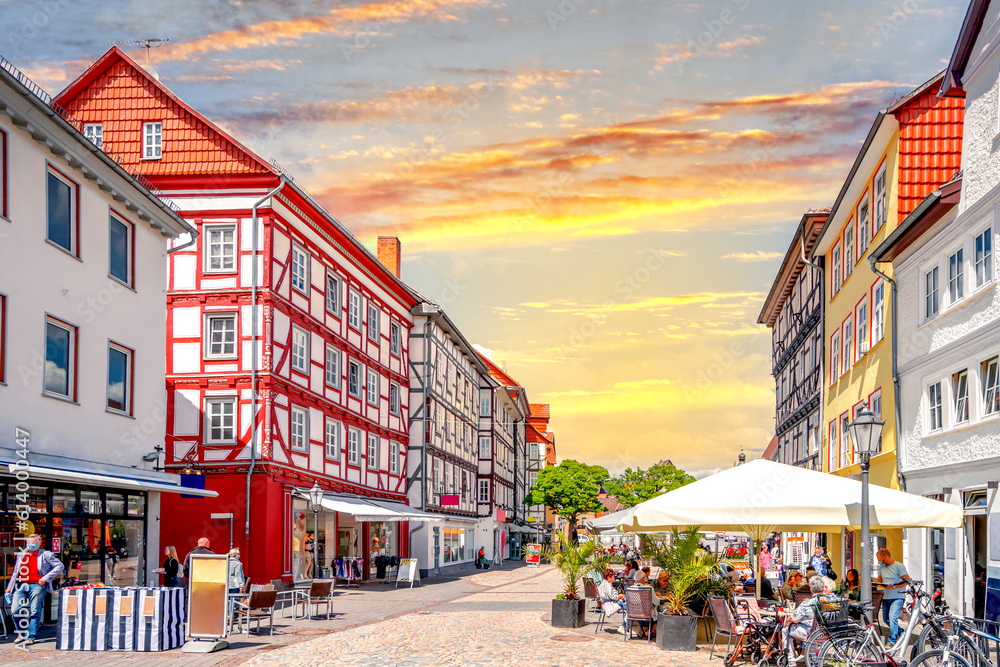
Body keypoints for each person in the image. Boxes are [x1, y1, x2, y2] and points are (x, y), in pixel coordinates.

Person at [5, 534, 64, 646]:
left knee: (34, 611)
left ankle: (31, 636)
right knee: (15, 610)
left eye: (32, 543)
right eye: (28, 543)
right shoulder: (22, 554)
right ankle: (22, 634)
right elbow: (16, 571)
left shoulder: (45, 554)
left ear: (39, 543)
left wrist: (45, 578)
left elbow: (59, 566)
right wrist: (9, 587)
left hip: (37, 585)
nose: (30, 545)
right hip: (21, 585)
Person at [783, 575, 835, 664]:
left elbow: (794, 618)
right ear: (823, 588)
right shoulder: (832, 600)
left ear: (811, 589)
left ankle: (791, 661)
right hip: (829, 632)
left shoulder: (808, 603)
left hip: (812, 633)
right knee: (813, 628)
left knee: (785, 630)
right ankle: (815, 659)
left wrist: (786, 623)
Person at [876, 548, 910, 644]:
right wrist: (873, 583)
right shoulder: (881, 568)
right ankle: (902, 632)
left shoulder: (898, 566)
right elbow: (879, 580)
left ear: (885, 557)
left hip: (898, 596)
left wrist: (894, 586)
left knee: (892, 617)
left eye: (879, 559)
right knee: (886, 619)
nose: (878, 562)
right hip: (886, 596)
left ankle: (892, 641)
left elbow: (907, 581)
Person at [596, 568, 628, 635]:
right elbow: (613, 597)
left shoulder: (602, 584)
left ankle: (626, 626)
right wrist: (620, 596)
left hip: (607, 603)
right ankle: (623, 626)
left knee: (628, 607)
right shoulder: (607, 585)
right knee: (631, 608)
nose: (614, 579)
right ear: (608, 577)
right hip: (610, 605)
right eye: (613, 577)